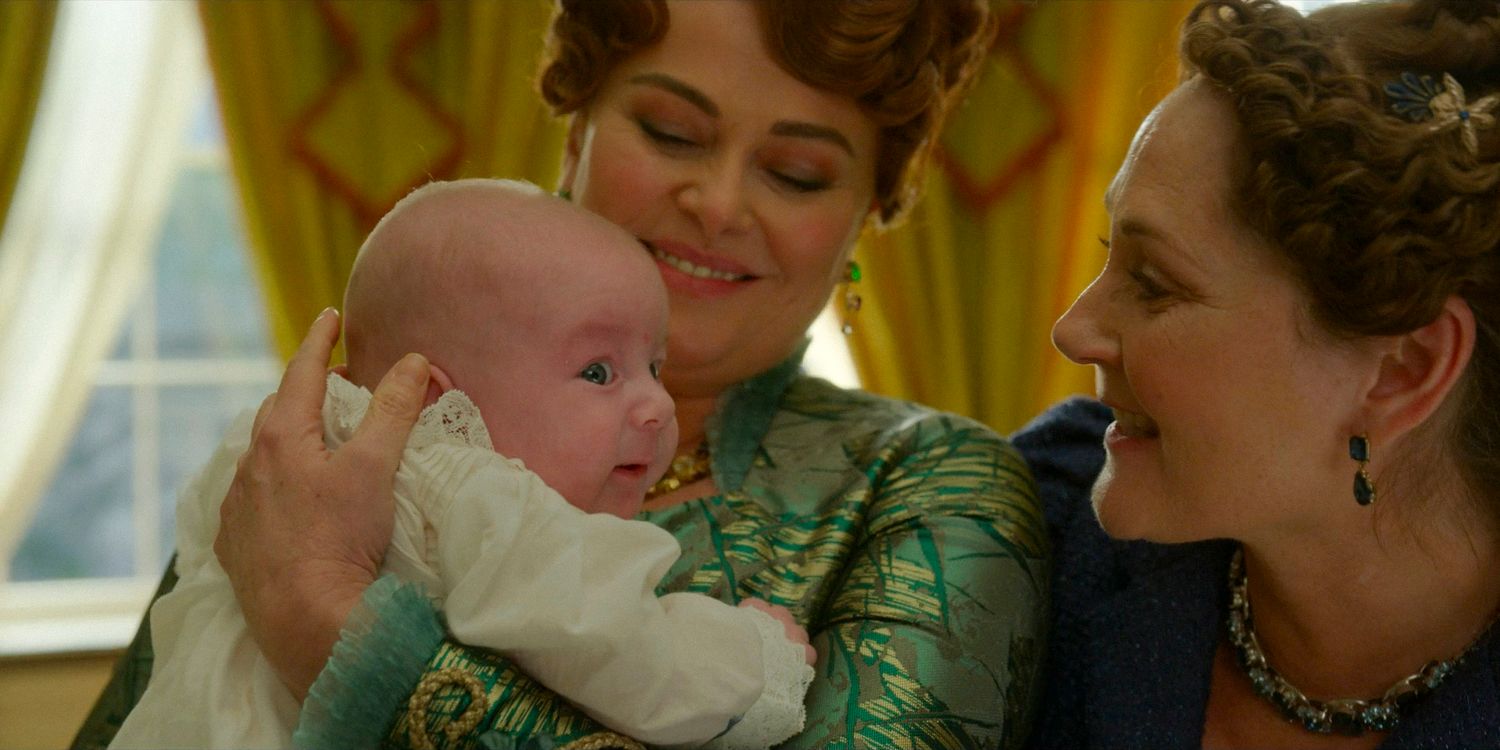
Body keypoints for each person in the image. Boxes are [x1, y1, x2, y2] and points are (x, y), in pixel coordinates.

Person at [75, 2, 1046, 749]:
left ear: (867, 211)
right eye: (670, 131)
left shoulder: (927, 490)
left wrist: (328, 622)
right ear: (576, 127)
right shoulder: (354, 429)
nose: (714, 203)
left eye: (794, 173)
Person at [106, 179, 816, 750]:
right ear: (434, 400)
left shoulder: (268, 454)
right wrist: (757, 658)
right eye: (600, 372)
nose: (657, 404)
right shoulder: (478, 494)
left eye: (652, 365)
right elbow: (623, 647)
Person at [1015, 0, 1500, 747]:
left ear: (1404, 371)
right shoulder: (1021, 535)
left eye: (1153, 282)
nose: (1073, 330)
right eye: (1111, 250)